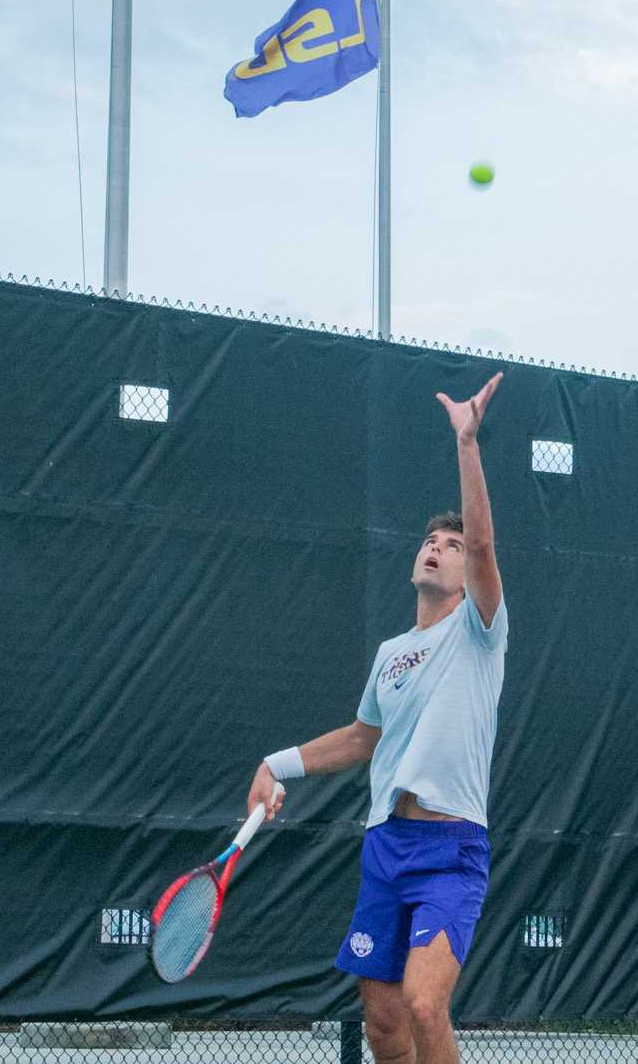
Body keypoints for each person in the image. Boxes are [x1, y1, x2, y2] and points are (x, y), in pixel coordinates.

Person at [247, 372, 508, 1064]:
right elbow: (365, 737)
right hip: (384, 847)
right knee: (384, 1021)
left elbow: (483, 546)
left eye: (450, 547)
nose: (439, 548)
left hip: (451, 849)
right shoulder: (393, 653)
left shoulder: (480, 631)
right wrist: (278, 764)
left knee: (426, 1003)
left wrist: (467, 443)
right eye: (431, 542)